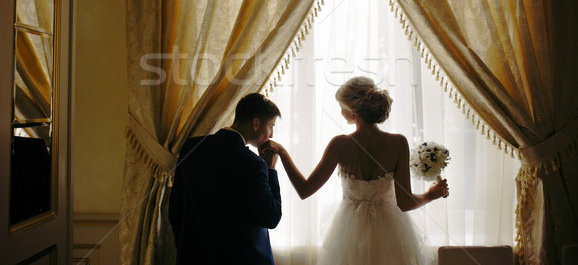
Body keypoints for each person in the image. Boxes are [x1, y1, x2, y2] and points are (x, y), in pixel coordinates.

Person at [262, 76, 449, 265]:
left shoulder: (339, 144)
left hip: (348, 235)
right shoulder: (399, 142)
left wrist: (282, 153)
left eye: (341, 105)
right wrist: (430, 195)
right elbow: (405, 203)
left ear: (352, 111)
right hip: (392, 236)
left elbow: (304, 190)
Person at [169, 93, 282, 265]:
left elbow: (175, 210)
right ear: (256, 123)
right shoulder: (253, 164)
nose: (271, 135)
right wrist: (271, 169)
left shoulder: (191, 148)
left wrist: (187, 249)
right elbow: (271, 218)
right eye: (271, 126)